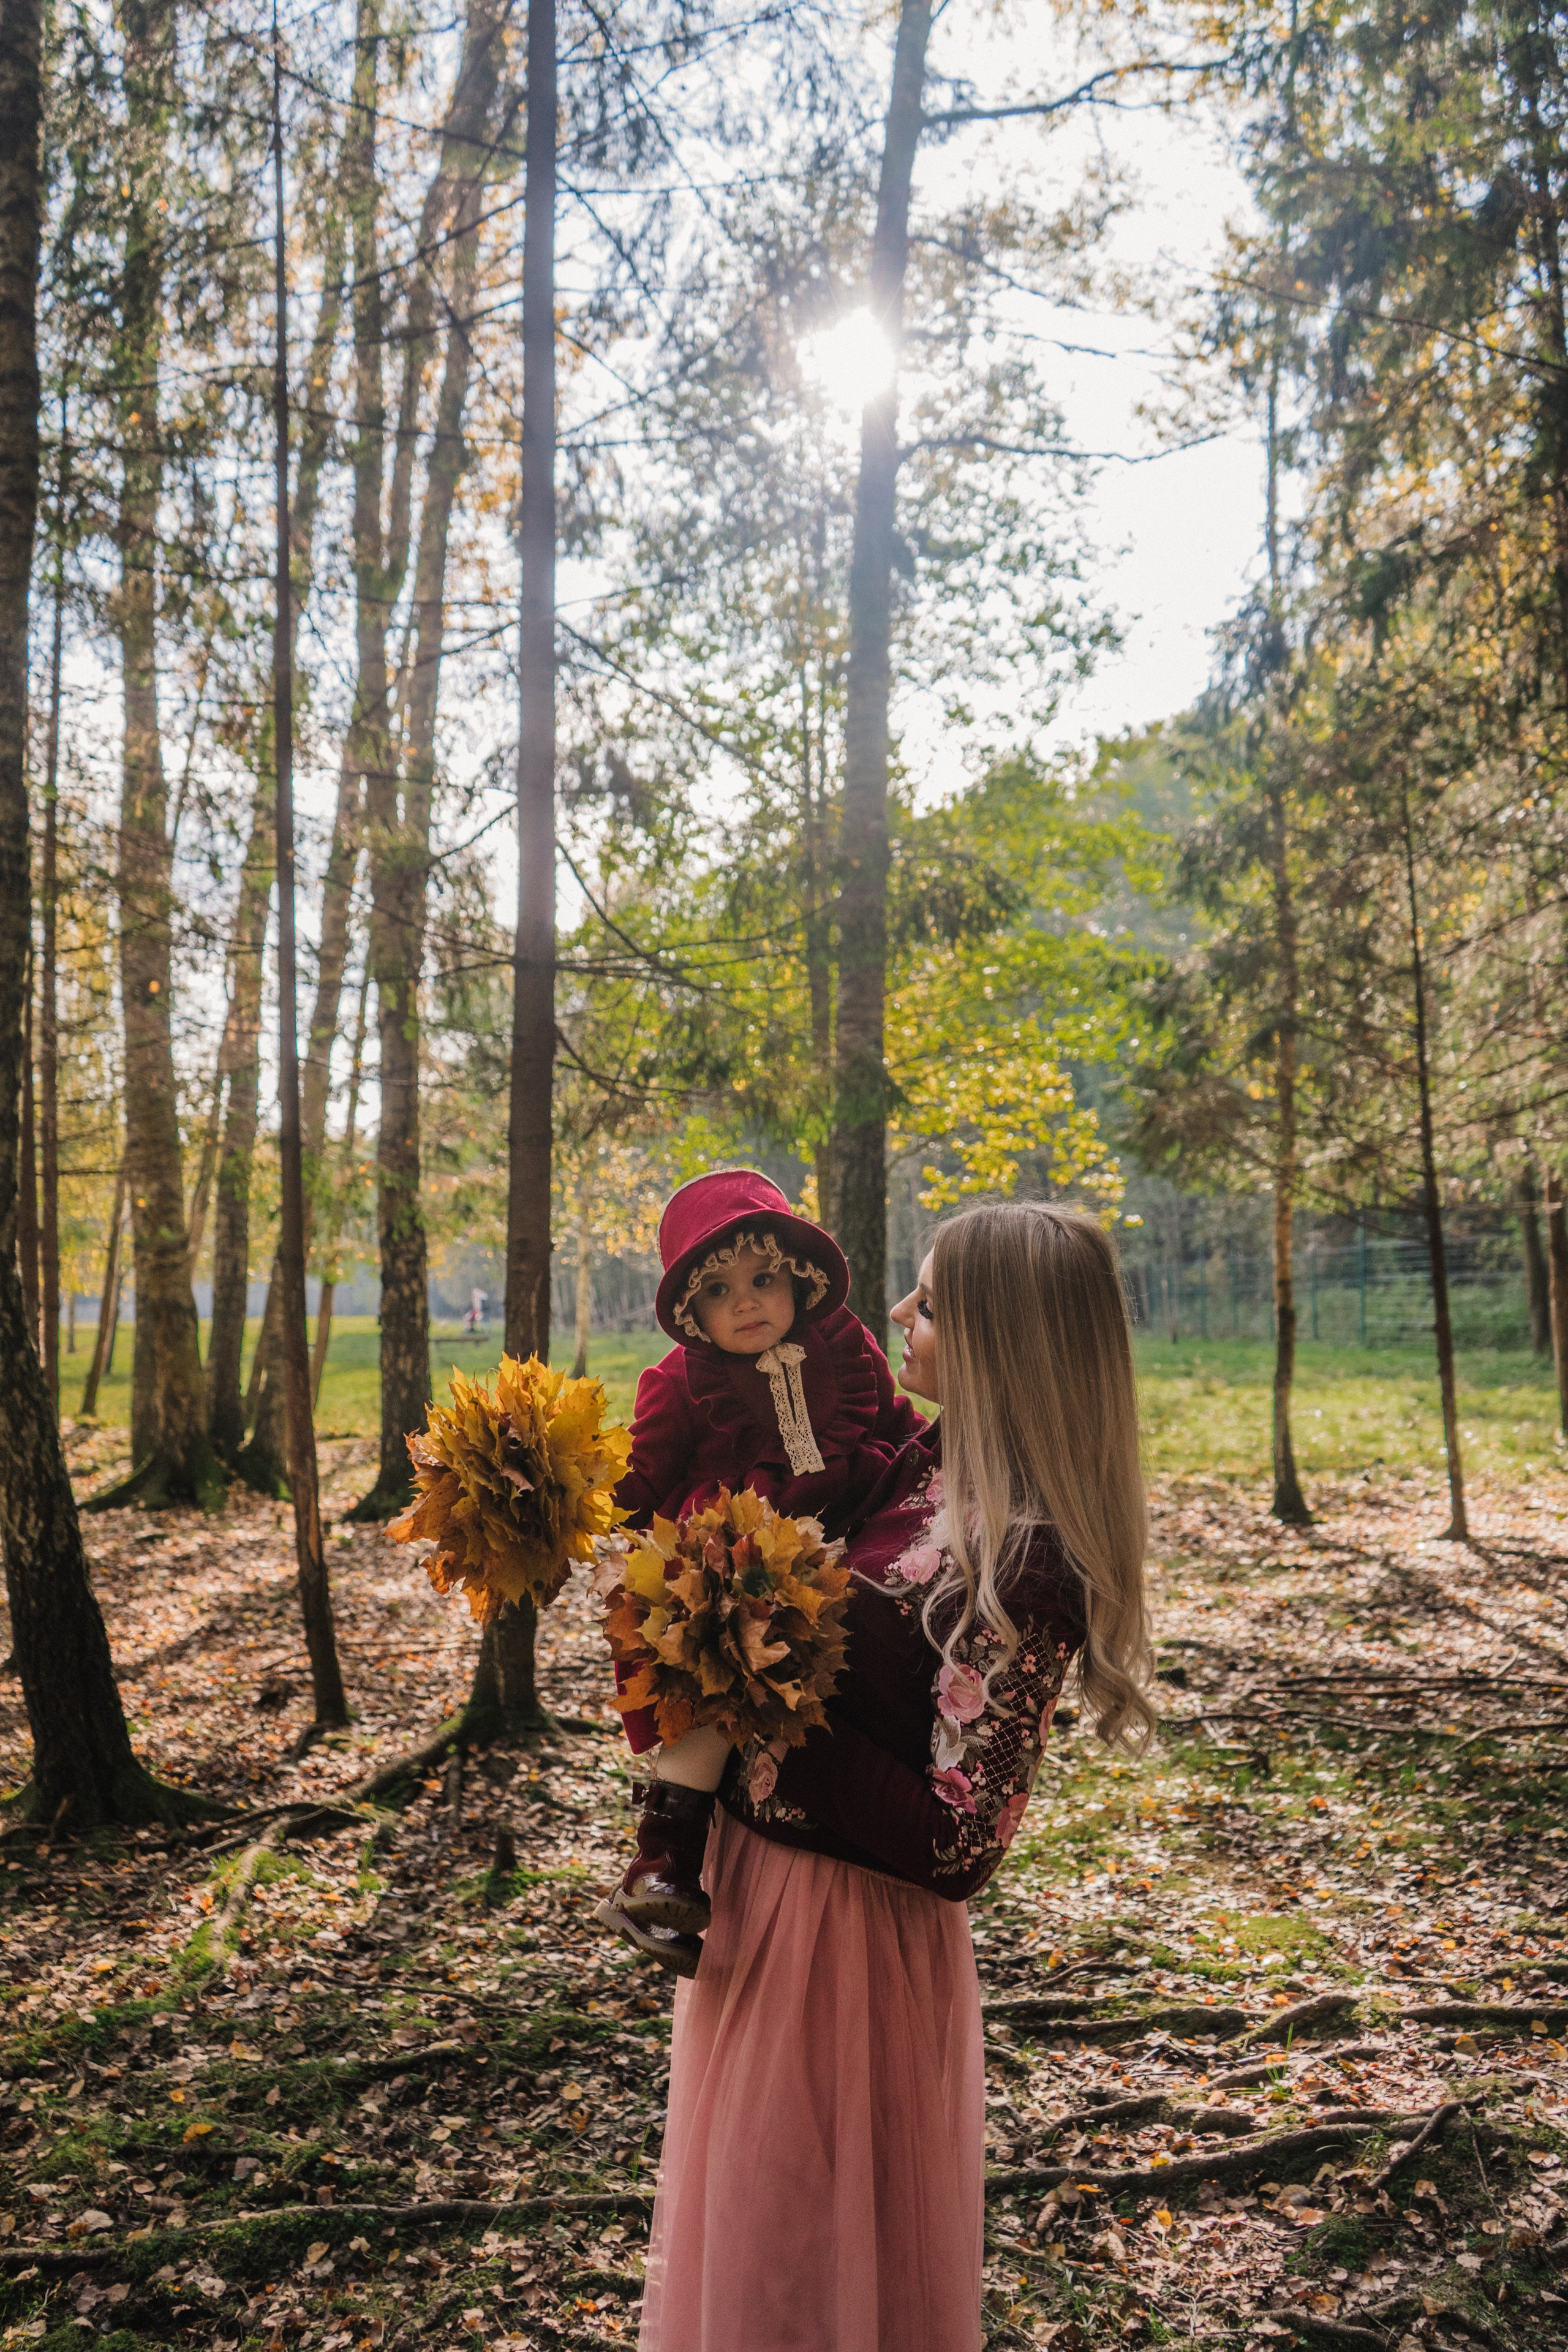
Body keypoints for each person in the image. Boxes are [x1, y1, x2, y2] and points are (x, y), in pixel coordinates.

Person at [636, 1201, 1157, 2352]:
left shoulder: (1028, 1558)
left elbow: (958, 1844)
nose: (903, 1316)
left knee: (810, 2266)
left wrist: (762, 1694)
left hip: (852, 1948)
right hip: (762, 1902)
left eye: (930, 1300)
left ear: (1002, 1337)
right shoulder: (918, 1461)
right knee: (760, 2259)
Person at [594, 1167, 925, 1975]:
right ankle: (665, 1852)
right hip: (735, 1563)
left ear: (799, 1278)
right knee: (714, 1672)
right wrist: (591, 1508)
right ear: (690, 1312)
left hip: (847, 1548)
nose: (747, 1302)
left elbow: (901, 1426)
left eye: (764, 1279)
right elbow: (640, 1475)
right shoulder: (679, 1382)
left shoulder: (845, 1346)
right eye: (720, 1290)